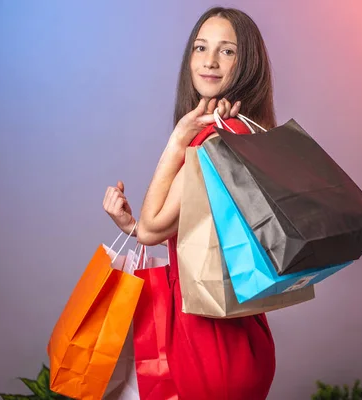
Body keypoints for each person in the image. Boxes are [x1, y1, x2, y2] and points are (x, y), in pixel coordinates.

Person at [103, 7, 278, 400]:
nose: (209, 61)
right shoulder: (247, 133)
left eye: (227, 51)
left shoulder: (212, 140)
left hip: (210, 341)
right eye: (201, 47)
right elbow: (188, 225)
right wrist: (133, 227)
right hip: (242, 335)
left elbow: (151, 231)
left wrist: (177, 139)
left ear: (246, 63)